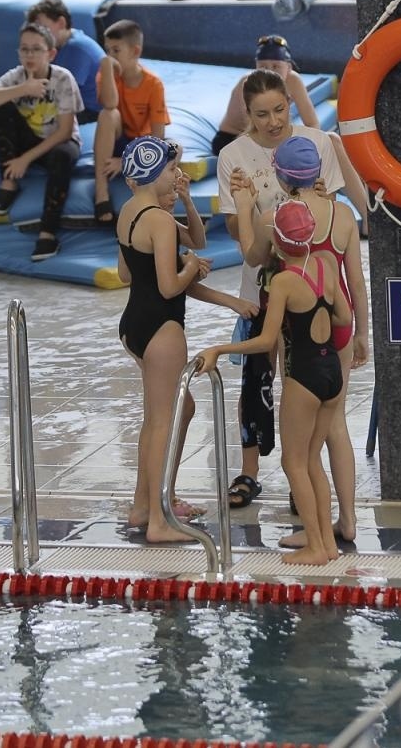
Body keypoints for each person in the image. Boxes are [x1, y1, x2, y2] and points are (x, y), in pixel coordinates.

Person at [196, 199, 351, 567]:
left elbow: (266, 342)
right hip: (332, 373)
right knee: (313, 460)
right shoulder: (326, 265)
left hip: (304, 377)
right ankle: (326, 542)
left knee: (293, 463)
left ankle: (315, 546)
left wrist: (220, 348)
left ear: (278, 245)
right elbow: (344, 315)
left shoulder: (283, 281)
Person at [216, 69, 344, 509]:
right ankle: (249, 472)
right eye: (261, 115)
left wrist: (321, 197)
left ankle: (302, 476)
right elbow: (237, 231)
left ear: (290, 101)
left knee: (301, 381)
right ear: (246, 115)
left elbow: (333, 217)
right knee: (256, 377)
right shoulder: (234, 155)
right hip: (260, 286)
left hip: (307, 289)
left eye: (279, 110)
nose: (272, 121)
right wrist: (248, 207)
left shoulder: (317, 142)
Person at [115, 136, 253, 542]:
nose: (178, 176)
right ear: (153, 172)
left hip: (135, 324)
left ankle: (144, 506)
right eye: (172, 170)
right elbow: (170, 285)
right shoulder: (157, 220)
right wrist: (190, 266)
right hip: (162, 328)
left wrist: (188, 205)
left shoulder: (132, 213)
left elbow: (130, 273)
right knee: (163, 422)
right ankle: (160, 522)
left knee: (172, 412)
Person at [238, 135, 368, 546]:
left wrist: (246, 209)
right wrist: (363, 332)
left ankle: (315, 530)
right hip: (341, 319)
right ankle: (346, 521)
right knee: (337, 425)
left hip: (302, 332)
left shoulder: (277, 217)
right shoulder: (342, 215)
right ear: (318, 173)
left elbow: (254, 256)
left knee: (305, 438)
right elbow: (357, 281)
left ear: (280, 175)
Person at [212, 35, 370, 226]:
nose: (270, 71)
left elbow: (312, 124)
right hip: (235, 136)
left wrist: (306, 150)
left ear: (289, 67)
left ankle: (369, 217)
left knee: (332, 140)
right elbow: (253, 133)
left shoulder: (293, 82)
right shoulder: (249, 87)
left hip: (275, 135)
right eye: (263, 66)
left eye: (276, 66)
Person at [0, 22, 82, 262]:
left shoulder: (63, 78)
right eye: (24, 49)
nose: (29, 55)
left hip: (57, 142)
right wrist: (22, 89)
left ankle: (47, 232)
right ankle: (9, 183)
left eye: (36, 49)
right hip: (27, 139)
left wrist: (25, 159)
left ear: (51, 53)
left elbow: (65, 131)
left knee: (63, 156)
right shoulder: (16, 76)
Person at [93, 20, 169, 224]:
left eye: (116, 51)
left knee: (174, 149)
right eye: (107, 50)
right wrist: (107, 68)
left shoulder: (153, 84)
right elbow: (109, 104)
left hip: (142, 147)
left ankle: (144, 194)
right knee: (107, 115)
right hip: (117, 140)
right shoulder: (106, 75)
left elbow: (158, 136)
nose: (110, 57)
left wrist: (126, 161)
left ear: (135, 51)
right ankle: (101, 191)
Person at [27, 0, 104, 123]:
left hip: (90, 112)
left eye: (43, 29)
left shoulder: (76, 47)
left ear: (61, 23)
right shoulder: (59, 45)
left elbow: (62, 94)